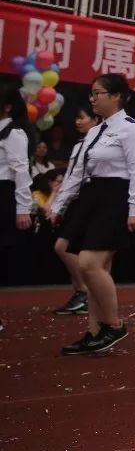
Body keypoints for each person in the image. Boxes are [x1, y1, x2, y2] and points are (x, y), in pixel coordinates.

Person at [49, 74, 135, 355]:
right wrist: (60, 205)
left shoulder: (131, 129)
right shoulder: (94, 132)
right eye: (91, 94)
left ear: (117, 96)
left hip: (116, 197)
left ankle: (113, 324)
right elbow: (77, 174)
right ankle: (94, 331)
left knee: (90, 264)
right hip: (92, 197)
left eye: (98, 93)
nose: (92, 99)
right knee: (96, 269)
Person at [48, 103, 97, 316]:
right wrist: (58, 203)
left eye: (82, 117)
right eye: (77, 118)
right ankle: (81, 292)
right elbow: (71, 176)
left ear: (95, 121)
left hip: (91, 200)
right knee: (64, 247)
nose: (78, 122)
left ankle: (85, 292)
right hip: (75, 201)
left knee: (65, 247)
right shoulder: (78, 146)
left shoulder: (99, 144)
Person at [0, 80, 35, 294]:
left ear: (7, 106)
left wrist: (23, 209)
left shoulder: (14, 134)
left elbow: (21, 172)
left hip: (3, 192)